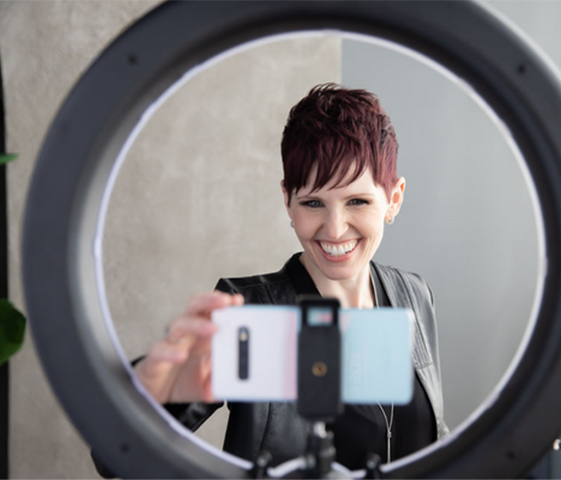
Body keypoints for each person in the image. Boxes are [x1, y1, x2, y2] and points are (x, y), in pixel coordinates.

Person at [97, 83, 447, 474]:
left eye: (357, 201)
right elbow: (114, 457)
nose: (334, 229)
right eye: (313, 202)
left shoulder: (415, 295)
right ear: (287, 200)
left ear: (393, 199)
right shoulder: (247, 311)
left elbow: (434, 437)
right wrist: (150, 393)